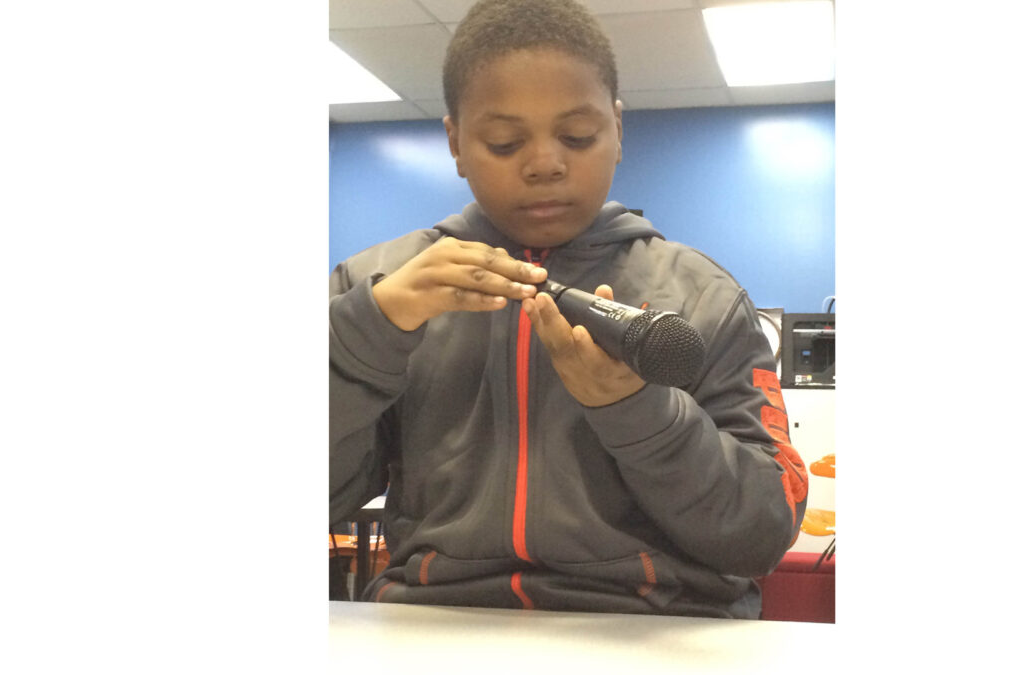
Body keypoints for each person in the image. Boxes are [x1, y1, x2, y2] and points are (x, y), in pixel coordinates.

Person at [329, 0, 807, 619]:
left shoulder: (702, 296)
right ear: (455, 141)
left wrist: (639, 413)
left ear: (616, 130)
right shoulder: (374, 288)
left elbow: (761, 534)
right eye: (504, 142)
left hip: (655, 634)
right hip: (436, 625)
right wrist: (362, 341)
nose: (546, 164)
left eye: (577, 136)